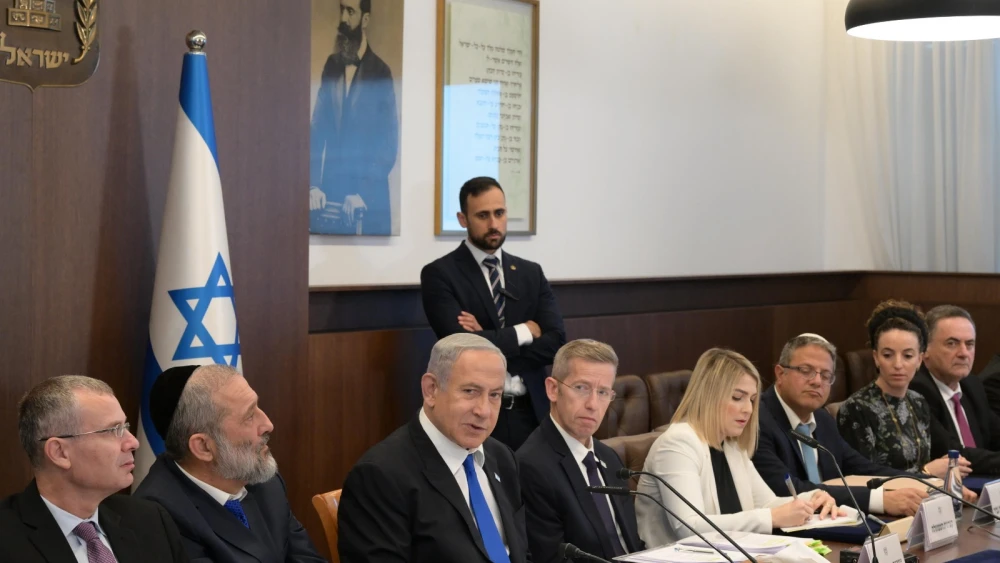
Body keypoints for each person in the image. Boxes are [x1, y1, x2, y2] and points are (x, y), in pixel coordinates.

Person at [338, 333, 532, 563]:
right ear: (431, 389)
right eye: (470, 391)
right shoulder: (380, 476)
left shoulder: (502, 457)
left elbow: (520, 554)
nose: (484, 411)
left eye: (495, 395)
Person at [635, 348, 841, 548]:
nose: (748, 409)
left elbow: (766, 503)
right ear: (709, 396)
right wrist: (772, 517)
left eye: (751, 400)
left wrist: (811, 500)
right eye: (737, 397)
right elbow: (690, 527)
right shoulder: (678, 443)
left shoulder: (731, 445)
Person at [420, 176, 566, 450]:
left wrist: (485, 339)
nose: (493, 224)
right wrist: (524, 332)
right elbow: (459, 350)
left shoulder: (530, 273)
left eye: (499, 213)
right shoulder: (440, 275)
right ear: (463, 219)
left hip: (532, 411)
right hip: (475, 415)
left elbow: (556, 342)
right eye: (483, 215)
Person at [134, 365, 325, 563]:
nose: (268, 424)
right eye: (249, 416)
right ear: (204, 447)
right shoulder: (157, 518)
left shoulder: (263, 481)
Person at [0, 376, 188, 563]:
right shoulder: (7, 540)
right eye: (113, 430)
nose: (133, 442)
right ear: (60, 453)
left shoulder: (150, 520)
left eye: (126, 426)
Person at [754, 333, 928, 518]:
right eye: (806, 371)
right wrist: (879, 500)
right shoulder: (758, 421)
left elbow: (863, 468)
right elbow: (788, 489)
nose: (817, 381)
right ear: (781, 374)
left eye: (826, 375)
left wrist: (930, 483)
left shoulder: (822, 418)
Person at [516, 340, 644, 562]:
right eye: (581, 388)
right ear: (553, 389)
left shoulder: (608, 457)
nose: (593, 404)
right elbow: (551, 559)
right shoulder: (532, 466)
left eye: (603, 392)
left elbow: (631, 542)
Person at [837, 301, 976, 498]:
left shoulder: (918, 401)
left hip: (926, 500)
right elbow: (862, 478)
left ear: (920, 359)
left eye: (908, 355)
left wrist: (950, 483)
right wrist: (927, 474)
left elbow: (928, 462)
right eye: (888, 355)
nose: (898, 365)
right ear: (876, 357)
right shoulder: (857, 409)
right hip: (884, 507)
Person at [309, 0, 398, 235]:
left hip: (368, 203)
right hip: (329, 201)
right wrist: (313, 185)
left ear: (365, 20)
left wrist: (362, 193)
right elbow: (316, 131)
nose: (343, 20)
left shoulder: (382, 72)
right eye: (341, 10)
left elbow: (388, 145)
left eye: (350, 12)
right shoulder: (331, 66)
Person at [909, 305, 1000, 475]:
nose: (964, 353)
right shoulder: (916, 390)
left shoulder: (971, 384)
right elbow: (954, 454)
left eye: (970, 344)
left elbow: (996, 434)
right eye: (952, 343)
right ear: (924, 349)